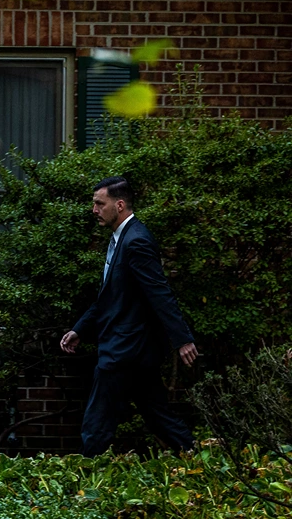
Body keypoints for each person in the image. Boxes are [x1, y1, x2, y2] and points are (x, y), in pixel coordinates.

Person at [60, 177, 199, 457]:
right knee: (158, 414)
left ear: (119, 205)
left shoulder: (136, 241)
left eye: (100, 203)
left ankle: (85, 479)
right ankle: (197, 457)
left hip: (124, 348)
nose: (94, 209)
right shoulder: (123, 238)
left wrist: (182, 339)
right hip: (135, 349)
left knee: (97, 421)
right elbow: (112, 297)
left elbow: (159, 293)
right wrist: (80, 330)